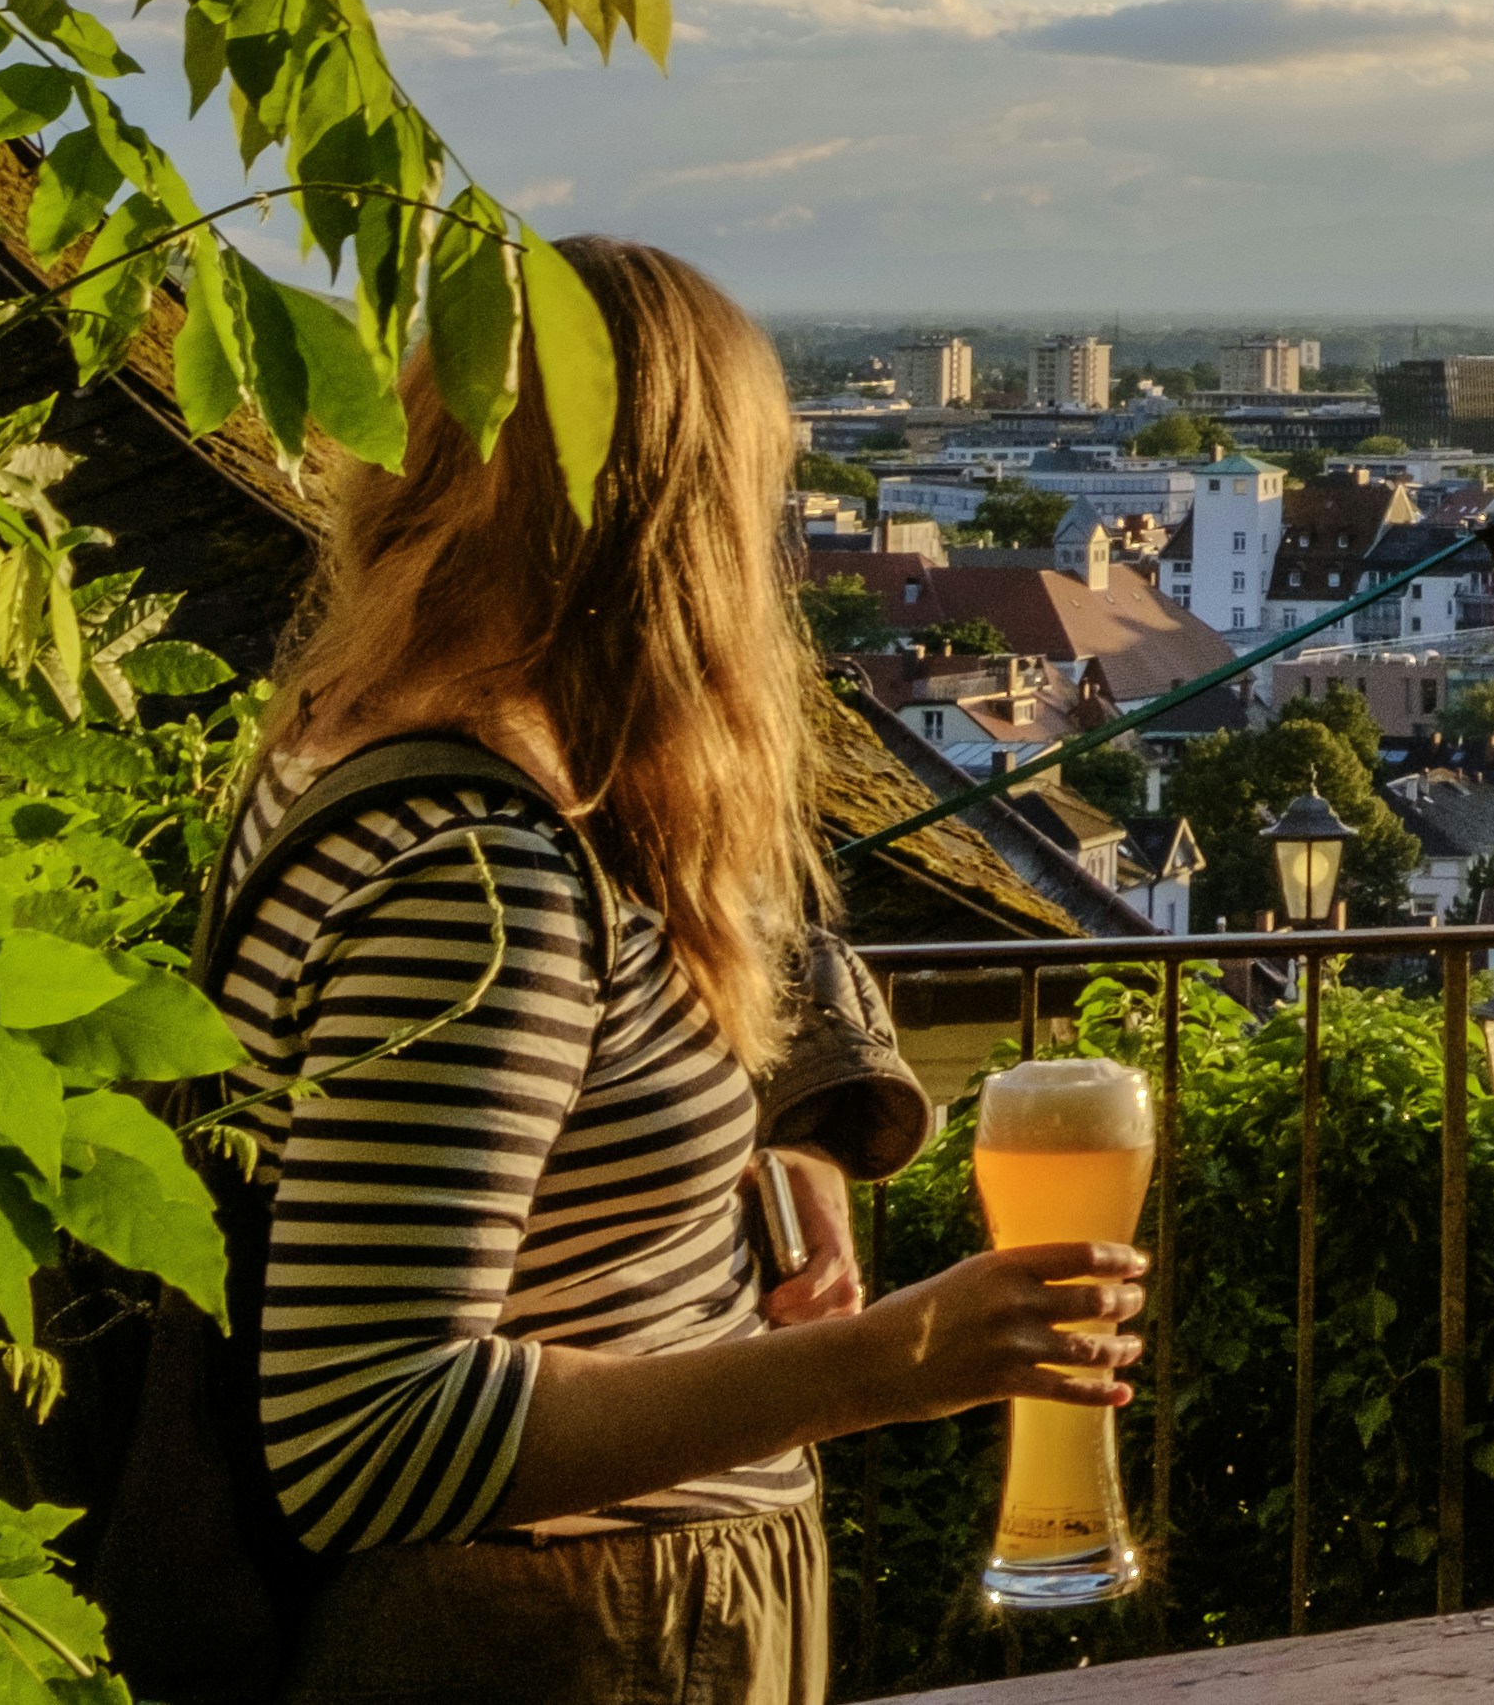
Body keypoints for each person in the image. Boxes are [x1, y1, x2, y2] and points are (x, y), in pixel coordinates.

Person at [220, 237, 1138, 1703]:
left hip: (595, 1620)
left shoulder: (417, 757)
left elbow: (608, 1072)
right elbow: (369, 1435)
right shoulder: (479, 875)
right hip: (549, 1640)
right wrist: (908, 1354)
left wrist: (783, 1150)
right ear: (676, 517)